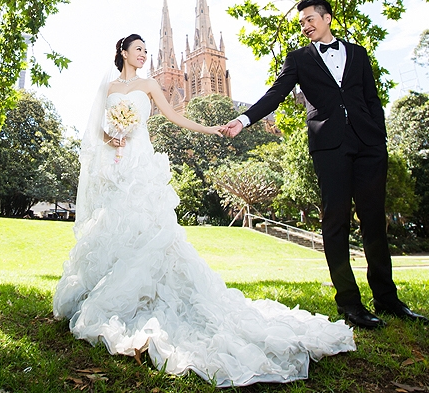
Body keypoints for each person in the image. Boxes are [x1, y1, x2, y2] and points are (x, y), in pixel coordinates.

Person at [53, 33, 355, 387]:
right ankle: (107, 289)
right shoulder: (108, 88)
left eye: (147, 50)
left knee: (150, 226)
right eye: (139, 50)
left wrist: (209, 128)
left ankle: (142, 292)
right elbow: (97, 129)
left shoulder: (150, 84)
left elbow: (173, 117)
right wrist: (112, 138)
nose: (144, 55)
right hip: (117, 166)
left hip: (142, 165)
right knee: (117, 225)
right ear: (123, 52)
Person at [221, 0, 429, 329]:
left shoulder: (358, 54)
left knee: (374, 221)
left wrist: (380, 137)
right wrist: (244, 120)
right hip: (330, 147)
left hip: (369, 144)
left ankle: (387, 299)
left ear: (327, 18)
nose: (305, 26)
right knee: (336, 221)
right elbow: (276, 94)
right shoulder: (298, 59)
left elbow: (372, 98)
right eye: (301, 23)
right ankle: (350, 303)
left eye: (309, 19)